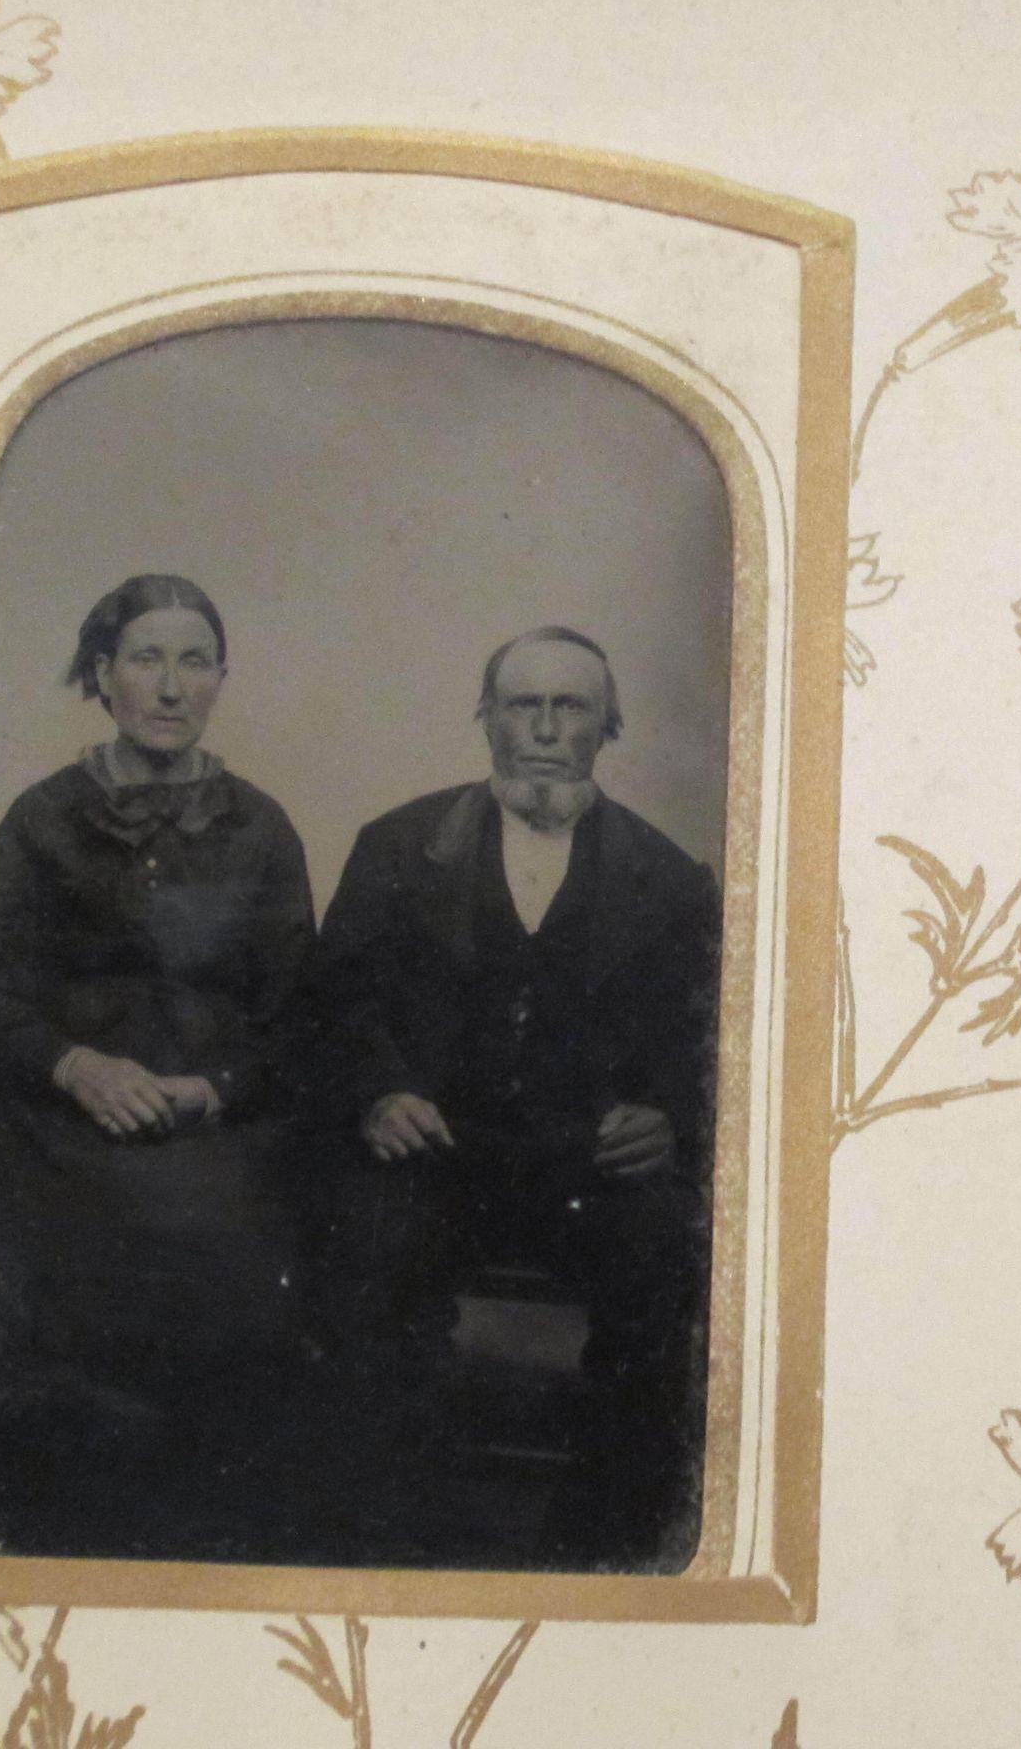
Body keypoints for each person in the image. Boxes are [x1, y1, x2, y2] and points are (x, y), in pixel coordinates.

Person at [309, 625, 722, 1570]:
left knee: (668, 1266)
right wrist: (379, 1093)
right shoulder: (397, 847)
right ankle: (397, 1540)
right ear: (486, 719)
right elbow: (333, 1007)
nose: (542, 729)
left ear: (606, 726)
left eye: (568, 708)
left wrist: (669, 1117)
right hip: (437, 1153)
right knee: (364, 1258)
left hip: (588, 1168)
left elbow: (705, 1036)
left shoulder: (669, 879)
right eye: (520, 705)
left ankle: (603, 1550)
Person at [0, 574, 319, 1559]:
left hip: (215, 1131)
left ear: (221, 679)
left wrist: (215, 1089)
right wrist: (74, 1066)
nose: (169, 686)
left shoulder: (262, 829)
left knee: (229, 1268)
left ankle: (202, 1549)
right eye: (146, 659)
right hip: (61, 1129)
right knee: (54, 1292)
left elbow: (298, 1021)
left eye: (194, 662)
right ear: (102, 674)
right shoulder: (39, 822)